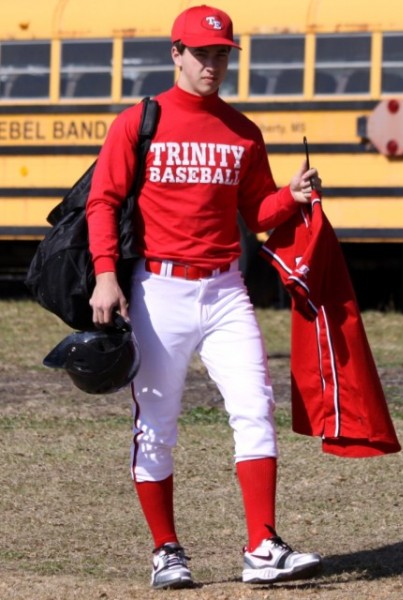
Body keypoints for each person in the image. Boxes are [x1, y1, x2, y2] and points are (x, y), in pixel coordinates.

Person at [87, 4, 323, 590]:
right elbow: (103, 201)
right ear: (176, 53)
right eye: (201, 53)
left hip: (224, 289)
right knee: (157, 426)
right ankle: (166, 550)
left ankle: (262, 546)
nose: (212, 63)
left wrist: (290, 196)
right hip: (155, 289)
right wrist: (105, 274)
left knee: (254, 407)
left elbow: (257, 213)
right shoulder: (138, 121)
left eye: (221, 54)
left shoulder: (242, 130)